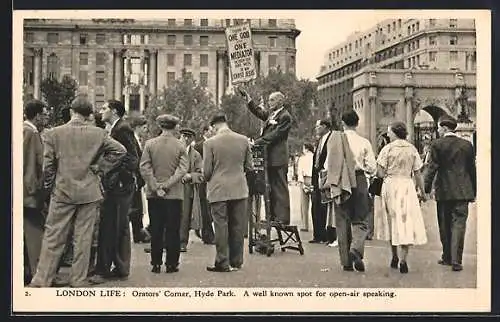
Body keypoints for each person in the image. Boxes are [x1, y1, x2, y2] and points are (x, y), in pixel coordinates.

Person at [28, 98, 126, 288]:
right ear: (89, 114)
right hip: (89, 192)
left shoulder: (53, 134)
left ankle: (42, 279)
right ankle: (78, 279)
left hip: (63, 190)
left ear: (72, 111)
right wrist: (100, 167)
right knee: (83, 237)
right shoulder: (99, 133)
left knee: (53, 236)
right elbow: (120, 151)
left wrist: (48, 189)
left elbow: (48, 167)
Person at [91, 100, 140, 284]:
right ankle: (121, 267)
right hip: (121, 185)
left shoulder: (121, 129)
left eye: (104, 108)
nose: (101, 111)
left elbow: (133, 158)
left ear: (113, 111)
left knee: (111, 226)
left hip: (120, 186)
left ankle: (104, 270)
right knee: (120, 226)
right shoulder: (116, 128)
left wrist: (117, 176)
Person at [325, 109, 376, 272]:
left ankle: (346, 261)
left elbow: (328, 165)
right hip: (359, 180)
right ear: (357, 123)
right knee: (361, 218)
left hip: (341, 181)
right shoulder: (364, 142)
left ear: (342, 123)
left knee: (342, 220)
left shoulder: (335, 141)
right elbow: (372, 167)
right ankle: (356, 249)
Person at [374, 121, 428, 274]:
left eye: (389, 132)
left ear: (395, 133)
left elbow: (379, 172)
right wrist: (422, 193)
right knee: (406, 221)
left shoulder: (387, 149)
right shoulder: (412, 149)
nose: (388, 134)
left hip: (391, 185)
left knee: (392, 220)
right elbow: (418, 173)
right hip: (407, 186)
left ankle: (394, 256)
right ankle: (404, 259)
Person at [424, 116, 476, 272]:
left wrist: (426, 188)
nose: (438, 130)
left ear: (445, 128)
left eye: (439, 128)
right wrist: (474, 190)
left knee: (445, 224)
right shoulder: (467, 145)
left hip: (444, 191)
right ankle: (456, 260)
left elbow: (432, 168)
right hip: (463, 191)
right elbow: (472, 170)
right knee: (459, 225)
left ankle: (447, 256)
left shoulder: (437, 145)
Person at [204, 112, 253, 272]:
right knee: (238, 226)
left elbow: (207, 172)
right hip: (239, 188)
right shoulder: (243, 140)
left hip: (218, 189)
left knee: (221, 226)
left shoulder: (210, 143)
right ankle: (237, 261)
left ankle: (222, 262)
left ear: (214, 126)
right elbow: (249, 166)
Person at [140, 114, 188, 274]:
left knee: (156, 228)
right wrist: (167, 185)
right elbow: (182, 169)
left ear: (160, 126)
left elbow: (145, 167)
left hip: (154, 195)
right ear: (175, 127)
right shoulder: (180, 146)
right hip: (174, 194)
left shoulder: (149, 144)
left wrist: (155, 186)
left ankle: (156, 263)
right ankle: (172, 264)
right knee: (173, 229)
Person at [238, 88, 292, 225]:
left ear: (280, 101)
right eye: (269, 100)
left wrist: (256, 143)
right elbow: (258, 112)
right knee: (271, 188)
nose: (269, 103)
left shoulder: (285, 116)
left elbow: (276, 135)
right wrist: (248, 99)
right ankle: (273, 216)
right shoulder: (272, 115)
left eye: (272, 100)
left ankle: (283, 217)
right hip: (270, 157)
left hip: (278, 158)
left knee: (280, 187)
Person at [23, 99, 47, 285]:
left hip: (28, 192)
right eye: (44, 114)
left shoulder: (30, 131)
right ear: (37, 115)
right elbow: (28, 164)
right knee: (33, 234)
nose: (46, 117)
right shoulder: (30, 132)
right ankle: (35, 274)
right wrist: (33, 189)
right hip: (29, 194)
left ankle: (29, 271)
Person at [179, 127, 204, 252]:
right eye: (184, 136)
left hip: (187, 190)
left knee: (185, 217)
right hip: (172, 188)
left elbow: (201, 175)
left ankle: (182, 242)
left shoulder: (196, 155)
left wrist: (190, 176)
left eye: (189, 136)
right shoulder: (174, 150)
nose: (186, 139)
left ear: (192, 139)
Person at [128, 115, 150, 244]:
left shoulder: (137, 140)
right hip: (134, 180)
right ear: (138, 127)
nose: (146, 130)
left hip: (138, 180)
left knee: (137, 206)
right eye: (144, 128)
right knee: (135, 207)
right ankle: (138, 232)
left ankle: (139, 231)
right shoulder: (132, 140)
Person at [311, 119, 333, 244]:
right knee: (315, 205)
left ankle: (326, 234)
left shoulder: (331, 139)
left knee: (325, 205)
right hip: (316, 177)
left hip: (326, 176)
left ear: (325, 126)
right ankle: (317, 234)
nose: (316, 128)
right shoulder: (319, 141)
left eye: (318, 126)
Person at [193, 125, 216, 244]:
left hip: (211, 180)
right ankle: (207, 234)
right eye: (211, 131)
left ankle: (205, 232)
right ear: (205, 132)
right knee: (204, 208)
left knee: (208, 208)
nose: (213, 133)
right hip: (203, 181)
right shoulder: (199, 146)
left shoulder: (213, 143)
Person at [297, 142, 314, 232]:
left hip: (305, 179)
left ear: (306, 149)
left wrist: (302, 183)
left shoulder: (302, 159)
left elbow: (300, 171)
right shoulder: (315, 157)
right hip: (314, 180)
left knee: (304, 205)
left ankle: (305, 225)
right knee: (315, 205)